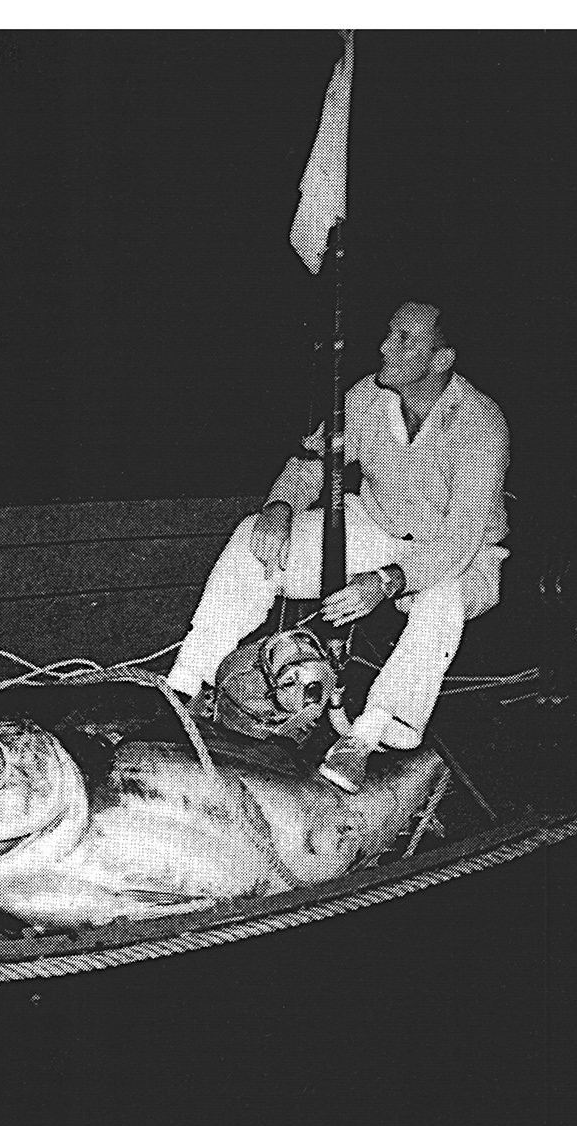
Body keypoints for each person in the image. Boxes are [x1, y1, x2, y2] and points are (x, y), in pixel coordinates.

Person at [165, 301, 510, 792]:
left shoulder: (480, 424)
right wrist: (280, 507)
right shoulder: (365, 396)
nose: (385, 348)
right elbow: (313, 462)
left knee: (443, 599)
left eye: (404, 341)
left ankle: (366, 738)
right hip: (376, 522)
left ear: (441, 360)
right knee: (253, 537)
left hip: (458, 551)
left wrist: (388, 580)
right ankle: (184, 685)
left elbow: (460, 536)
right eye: (388, 335)